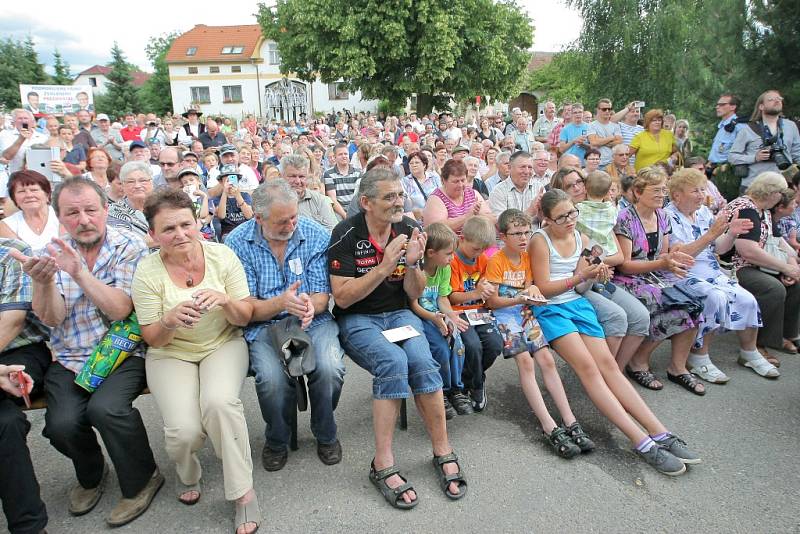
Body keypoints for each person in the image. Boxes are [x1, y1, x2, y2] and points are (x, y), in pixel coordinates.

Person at [9, 177, 163, 526]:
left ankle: (142, 480)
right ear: (59, 217)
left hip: (123, 352)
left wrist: (79, 273)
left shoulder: (129, 245)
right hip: (70, 355)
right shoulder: (49, 252)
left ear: (105, 210)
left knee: (107, 409)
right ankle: (92, 472)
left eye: (91, 210)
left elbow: (121, 310)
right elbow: (52, 317)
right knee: (61, 424)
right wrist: (43, 282)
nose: (83, 219)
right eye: (72, 213)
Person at [529, 189, 700, 475]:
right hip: (551, 309)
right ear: (546, 219)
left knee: (609, 366)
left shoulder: (581, 238)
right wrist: (582, 276)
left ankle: (660, 432)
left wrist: (594, 274)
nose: (570, 220)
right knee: (588, 368)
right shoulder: (540, 240)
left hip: (577, 304)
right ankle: (641, 441)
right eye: (562, 217)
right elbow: (543, 287)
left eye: (573, 213)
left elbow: (582, 285)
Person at [328, 168, 467, 509]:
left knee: (423, 362)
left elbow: (414, 294)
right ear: (366, 202)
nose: (398, 202)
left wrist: (414, 264)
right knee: (392, 362)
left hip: (400, 314)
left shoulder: (409, 228)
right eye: (389, 197)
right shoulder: (346, 233)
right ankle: (382, 462)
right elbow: (343, 298)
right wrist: (384, 265)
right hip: (359, 318)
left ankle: (442, 449)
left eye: (400, 195)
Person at [130, 189, 258, 534]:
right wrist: (169, 320)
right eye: (168, 229)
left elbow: (244, 317)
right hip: (171, 351)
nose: (180, 234)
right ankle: (188, 473)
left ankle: (242, 493)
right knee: (183, 431)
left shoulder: (221, 256)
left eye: (186, 224)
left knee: (219, 404)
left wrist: (225, 300)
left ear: (198, 221)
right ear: (153, 235)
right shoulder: (146, 272)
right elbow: (152, 338)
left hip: (221, 343)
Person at [225, 179, 345, 473]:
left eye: (294, 216)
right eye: (283, 221)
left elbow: (321, 297)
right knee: (272, 380)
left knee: (330, 369)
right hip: (263, 325)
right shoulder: (237, 243)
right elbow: (247, 308)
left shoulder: (314, 234)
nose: (292, 224)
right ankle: (277, 439)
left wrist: (307, 306)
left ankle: (325, 432)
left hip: (312, 321)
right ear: (258, 218)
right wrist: (281, 303)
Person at [487, 209, 595, 458]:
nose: (523, 238)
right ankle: (549, 426)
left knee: (547, 360)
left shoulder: (527, 257)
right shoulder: (496, 261)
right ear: (503, 236)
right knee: (526, 362)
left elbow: (534, 283)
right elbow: (492, 302)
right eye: (516, 233)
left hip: (525, 312)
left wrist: (532, 291)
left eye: (526, 232)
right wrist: (522, 297)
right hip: (506, 315)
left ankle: (570, 421)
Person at [664, 168, 771, 381]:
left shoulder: (703, 212)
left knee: (746, 298)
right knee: (715, 297)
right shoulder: (668, 216)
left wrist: (731, 233)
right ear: (677, 194)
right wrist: (712, 234)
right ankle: (699, 356)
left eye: (703, 189)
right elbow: (678, 256)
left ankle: (749, 352)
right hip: (682, 273)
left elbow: (719, 249)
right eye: (695, 190)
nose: (701, 194)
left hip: (711, 270)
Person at [613, 167, 705, 395]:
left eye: (663, 190)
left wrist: (673, 259)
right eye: (655, 190)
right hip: (628, 279)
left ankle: (678, 367)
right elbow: (625, 264)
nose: (661, 195)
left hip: (654, 274)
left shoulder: (662, 215)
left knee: (695, 304)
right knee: (664, 303)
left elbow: (661, 253)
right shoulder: (625, 218)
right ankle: (638, 362)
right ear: (638, 191)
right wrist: (664, 264)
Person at [0, 238, 52, 534]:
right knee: (6, 422)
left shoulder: (10, 252)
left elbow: (12, 322)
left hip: (17, 351)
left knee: (15, 381)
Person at [725, 172, 800, 364]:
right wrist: (784, 267)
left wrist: (791, 266)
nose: (781, 198)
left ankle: (785, 335)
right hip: (734, 266)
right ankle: (757, 344)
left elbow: (780, 242)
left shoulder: (764, 210)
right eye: (781, 193)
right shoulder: (746, 209)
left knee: (796, 282)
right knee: (772, 288)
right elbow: (747, 251)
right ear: (771, 192)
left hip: (756, 264)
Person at [410, 223, 471, 418]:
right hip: (422, 317)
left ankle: (457, 389)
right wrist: (435, 319)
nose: (453, 258)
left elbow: (442, 298)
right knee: (441, 349)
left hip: (439, 315)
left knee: (458, 343)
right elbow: (414, 304)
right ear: (430, 253)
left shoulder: (444, 268)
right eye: (448, 254)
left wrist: (451, 317)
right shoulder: (417, 270)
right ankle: (442, 391)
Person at [448, 216, 503, 411]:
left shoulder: (483, 259)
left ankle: (471, 378)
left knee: (496, 345)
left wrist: (487, 290)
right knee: (472, 347)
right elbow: (452, 297)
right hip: (459, 312)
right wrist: (476, 292)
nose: (478, 253)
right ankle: (477, 385)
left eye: (482, 249)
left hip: (479, 311)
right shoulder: (452, 260)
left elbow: (486, 286)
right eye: (475, 248)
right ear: (462, 238)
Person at [728, 90, 800, 192]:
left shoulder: (790, 126)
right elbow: (732, 157)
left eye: (779, 99)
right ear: (761, 106)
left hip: (782, 186)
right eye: (771, 99)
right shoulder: (748, 129)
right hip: (754, 186)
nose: (777, 101)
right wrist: (755, 157)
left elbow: (797, 153)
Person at [422, 159, 493, 235]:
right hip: (448, 245)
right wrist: (467, 217)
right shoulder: (436, 199)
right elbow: (436, 229)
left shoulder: (473, 193)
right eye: (455, 181)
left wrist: (479, 215)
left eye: (463, 180)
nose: (460, 185)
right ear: (443, 181)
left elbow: (491, 219)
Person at [0, 170, 60, 252]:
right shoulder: (7, 225)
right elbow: (20, 257)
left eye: (34, 190)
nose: (29, 195)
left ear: (47, 194)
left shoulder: (61, 215)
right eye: (21, 191)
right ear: (14, 199)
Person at [488, 150, 545, 220]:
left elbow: (546, 220)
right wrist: (529, 213)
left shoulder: (538, 187)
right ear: (509, 167)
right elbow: (501, 224)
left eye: (530, 167)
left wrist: (542, 214)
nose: (527, 171)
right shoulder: (498, 191)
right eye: (522, 167)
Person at [214, 164, 254, 240]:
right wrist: (225, 193)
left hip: (245, 230)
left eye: (233, 179)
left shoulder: (245, 196)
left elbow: (249, 216)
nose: (230, 183)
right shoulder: (218, 199)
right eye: (227, 180)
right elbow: (221, 216)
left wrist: (237, 195)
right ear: (221, 182)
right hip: (228, 232)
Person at [1, 110, 48, 174]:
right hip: (16, 175)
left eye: (26, 118)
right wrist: (21, 139)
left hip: (38, 175)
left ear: (32, 121)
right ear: (14, 121)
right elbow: (6, 157)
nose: (23, 121)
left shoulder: (43, 137)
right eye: (20, 118)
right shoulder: (5, 135)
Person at [324, 142, 363, 219]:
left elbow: (359, 196)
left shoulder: (358, 173)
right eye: (340, 154)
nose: (344, 156)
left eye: (345, 154)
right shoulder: (328, 174)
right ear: (335, 157)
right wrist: (346, 216)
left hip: (355, 208)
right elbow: (333, 199)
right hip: (339, 210)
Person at [402, 151, 441, 221]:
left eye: (417, 162)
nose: (414, 165)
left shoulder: (434, 177)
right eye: (411, 163)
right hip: (417, 220)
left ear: (424, 165)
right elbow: (406, 204)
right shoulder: (405, 181)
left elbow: (442, 195)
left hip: (437, 216)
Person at [588, 99, 623, 168]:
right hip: (598, 163)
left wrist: (600, 141)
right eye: (604, 109)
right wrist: (611, 138)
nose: (607, 111)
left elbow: (619, 141)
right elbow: (594, 142)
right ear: (598, 110)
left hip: (613, 163)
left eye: (609, 109)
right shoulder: (591, 125)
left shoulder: (615, 125)